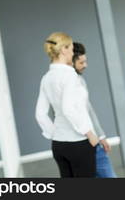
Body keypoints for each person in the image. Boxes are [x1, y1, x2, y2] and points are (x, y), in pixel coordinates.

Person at [35, 32, 98, 177]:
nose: (72, 52)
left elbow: (40, 114)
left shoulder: (46, 78)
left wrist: (54, 133)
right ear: (63, 49)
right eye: (70, 48)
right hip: (79, 143)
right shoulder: (69, 75)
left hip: (59, 145)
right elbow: (68, 108)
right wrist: (89, 133)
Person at [72, 42, 117, 178]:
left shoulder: (80, 80)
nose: (85, 65)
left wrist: (101, 136)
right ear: (71, 61)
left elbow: (88, 109)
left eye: (85, 61)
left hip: (91, 140)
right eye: (81, 62)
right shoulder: (67, 83)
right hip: (84, 142)